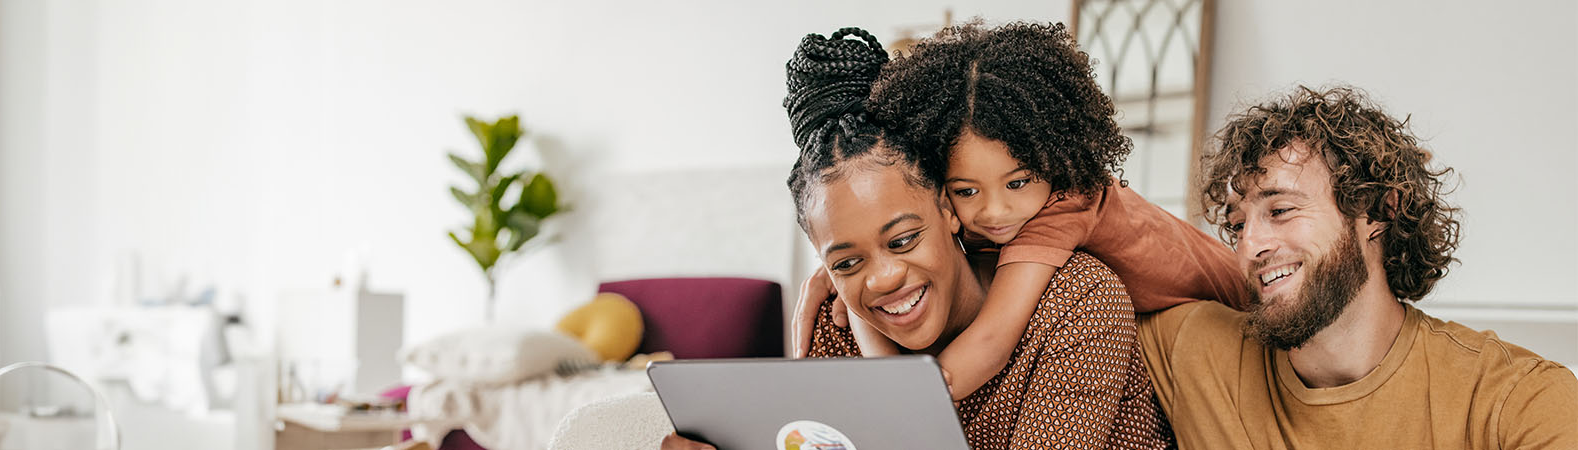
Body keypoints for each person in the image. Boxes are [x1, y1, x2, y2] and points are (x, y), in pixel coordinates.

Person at [662, 26, 1174, 450]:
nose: (883, 278)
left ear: (949, 210)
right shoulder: (837, 324)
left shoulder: (1076, 300)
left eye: (903, 240)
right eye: (845, 262)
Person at [791, 20, 1251, 401]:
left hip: (1243, 307)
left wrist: (892, 403)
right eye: (965, 191)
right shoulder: (1005, 216)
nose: (994, 212)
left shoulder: (1060, 209)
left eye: (1018, 182)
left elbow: (990, 345)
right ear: (942, 194)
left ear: (1054, 159)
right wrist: (844, 274)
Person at [1138, 85, 1578, 448]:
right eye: (1236, 226)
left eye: (1282, 210)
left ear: (1378, 212)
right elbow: (1085, 211)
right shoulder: (1194, 350)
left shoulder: (1516, 400)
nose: (1249, 246)